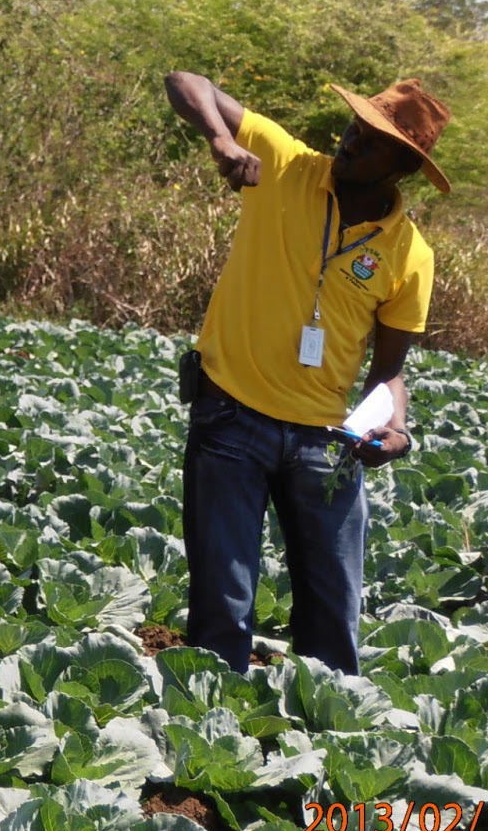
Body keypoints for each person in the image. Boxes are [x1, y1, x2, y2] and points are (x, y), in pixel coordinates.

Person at [164, 71, 452, 675]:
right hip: (229, 419)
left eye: (370, 142)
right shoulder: (286, 163)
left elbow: (388, 375)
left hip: (325, 444)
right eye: (353, 128)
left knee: (333, 613)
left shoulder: (408, 254)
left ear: (401, 165)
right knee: (223, 603)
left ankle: (323, 746)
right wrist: (221, 139)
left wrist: (396, 430)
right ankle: (207, 745)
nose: (350, 143)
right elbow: (185, 82)